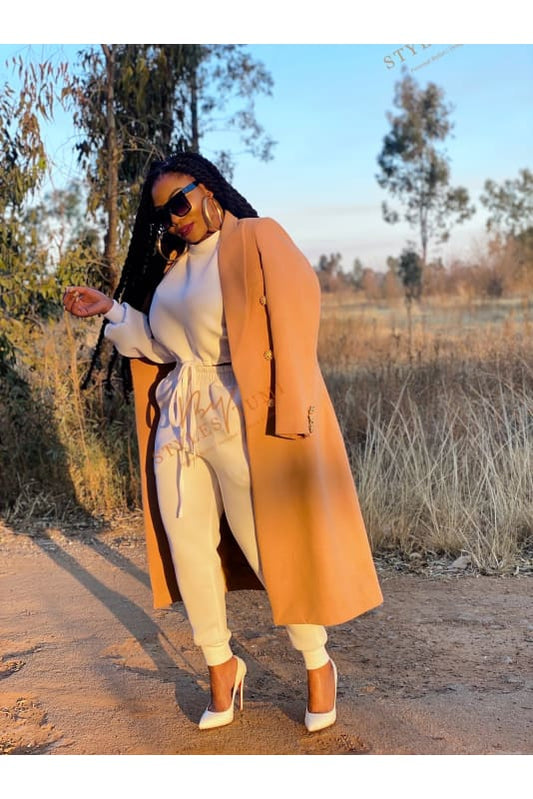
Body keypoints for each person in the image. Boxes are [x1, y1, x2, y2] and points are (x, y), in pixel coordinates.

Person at [63, 151, 383, 732]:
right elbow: (162, 346)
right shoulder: (173, 269)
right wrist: (113, 310)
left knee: (266, 543)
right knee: (187, 542)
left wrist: (292, 401)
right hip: (181, 413)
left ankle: (317, 662)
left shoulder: (257, 239)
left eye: (180, 202)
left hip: (241, 407)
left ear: (208, 188)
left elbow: (299, 309)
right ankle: (220, 665)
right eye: (162, 213)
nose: (174, 218)